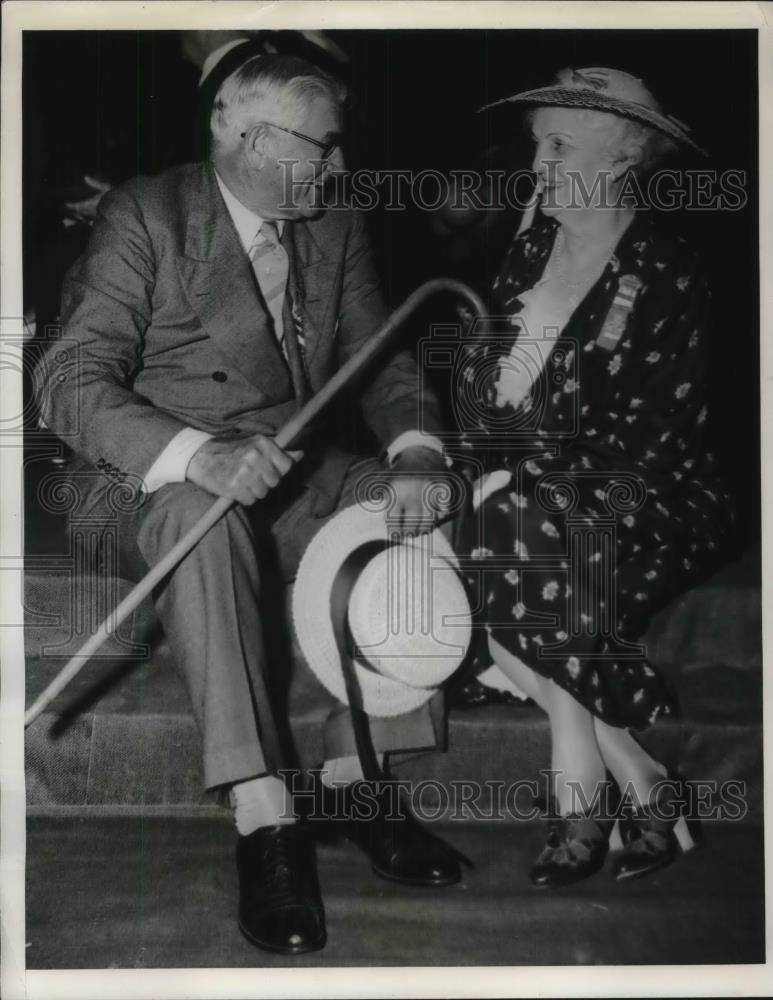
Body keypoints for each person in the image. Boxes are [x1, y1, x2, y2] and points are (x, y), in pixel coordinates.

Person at [38, 52, 467, 956]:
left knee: (410, 506)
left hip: (286, 464)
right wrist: (199, 455)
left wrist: (419, 450)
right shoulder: (144, 215)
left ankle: (357, 776)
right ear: (242, 134)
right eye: (325, 147)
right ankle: (264, 817)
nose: (342, 168)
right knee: (203, 522)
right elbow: (67, 379)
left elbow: (382, 358)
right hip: (141, 478)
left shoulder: (335, 221)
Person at [454, 67, 735, 886]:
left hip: (654, 496)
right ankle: (642, 779)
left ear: (617, 160)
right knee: (492, 540)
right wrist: (477, 457)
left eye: (558, 144)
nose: (536, 162)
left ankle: (580, 799)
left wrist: (517, 479)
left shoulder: (669, 272)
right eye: (536, 143)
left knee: (510, 545)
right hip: (530, 506)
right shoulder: (527, 252)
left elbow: (647, 442)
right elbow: (479, 398)